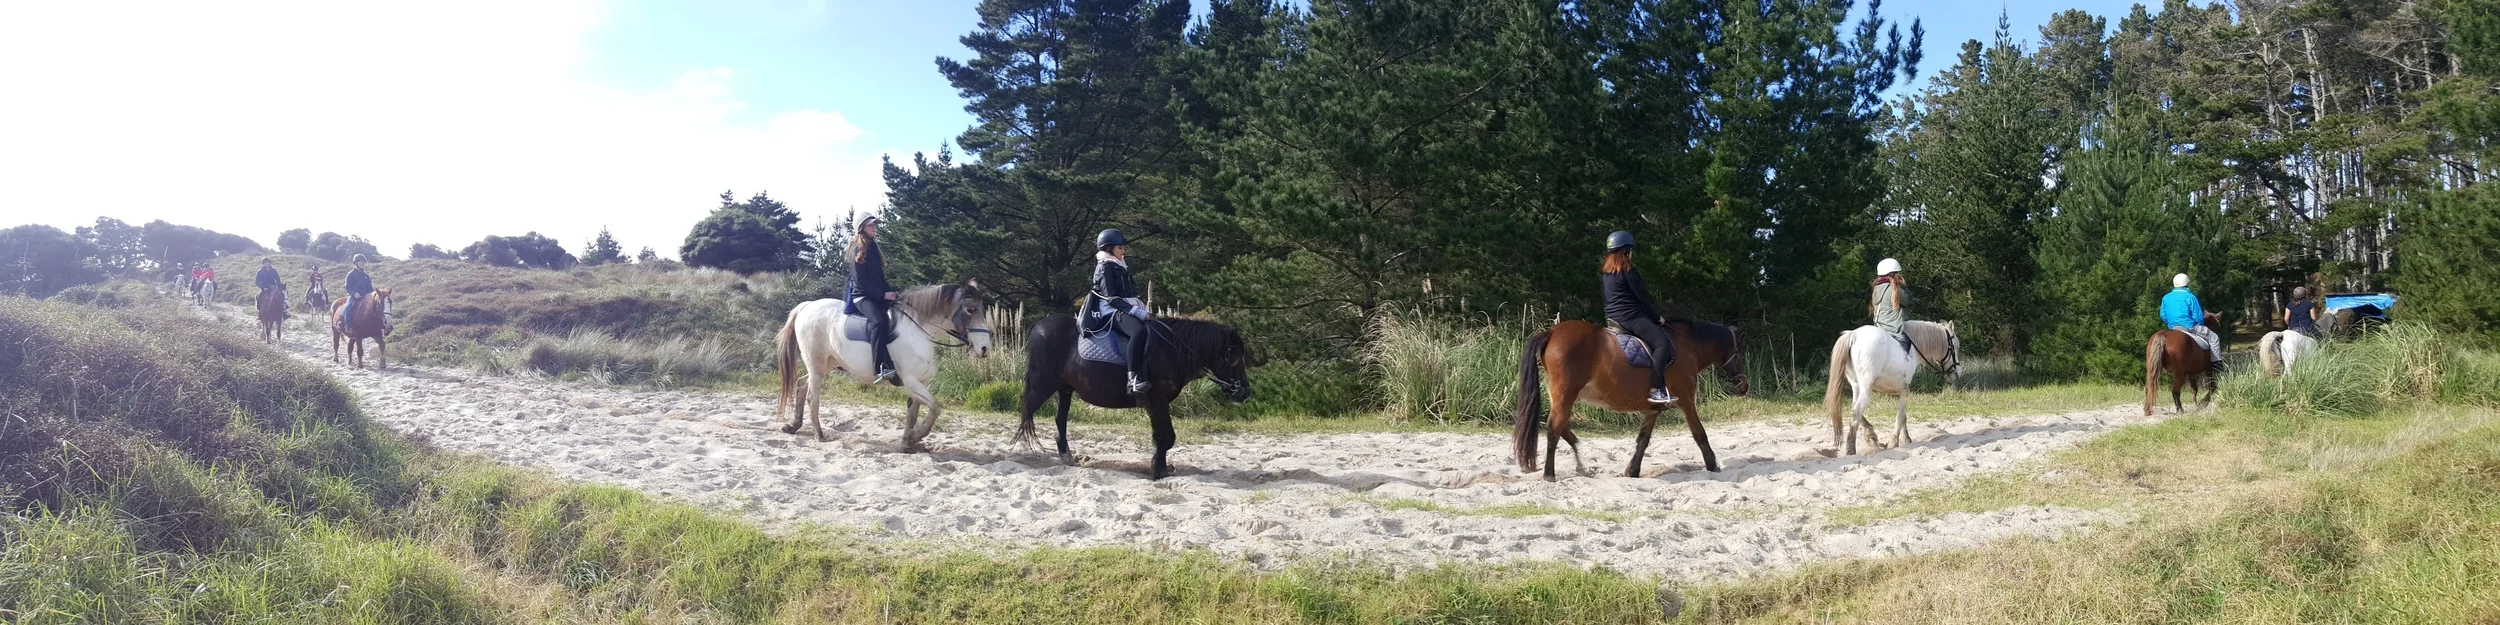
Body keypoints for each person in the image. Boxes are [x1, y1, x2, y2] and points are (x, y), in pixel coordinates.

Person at [1601, 231, 1678, 405]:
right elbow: (1642, 298)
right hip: (1631, 318)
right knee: (1662, 343)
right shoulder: (1628, 270)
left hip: (1612, 318)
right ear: (1626, 251)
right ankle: (1656, 389)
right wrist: (1656, 317)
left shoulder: (1606, 273)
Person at [1082, 229, 1151, 394]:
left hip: (1123, 307)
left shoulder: (1120, 266)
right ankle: (1132, 379)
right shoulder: (1105, 267)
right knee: (1138, 331)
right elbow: (1111, 298)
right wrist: (1138, 312)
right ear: (1109, 249)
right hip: (1110, 311)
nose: (1123, 251)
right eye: (1120, 248)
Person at [842, 216, 900, 383]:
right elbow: (861, 282)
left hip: (876, 294)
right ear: (862, 228)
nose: (875, 227)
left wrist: (892, 293)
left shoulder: (873, 246)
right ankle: (880, 368)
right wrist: (883, 295)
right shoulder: (856, 249)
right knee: (879, 320)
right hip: (862, 297)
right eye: (871, 225)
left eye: (875, 224)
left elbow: (880, 278)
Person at [2161, 273, 2224, 370]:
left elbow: (2163, 315)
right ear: (2186, 284)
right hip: (2189, 326)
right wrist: (2200, 323)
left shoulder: (2166, 297)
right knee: (2214, 337)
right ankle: (2217, 364)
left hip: (2173, 327)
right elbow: (2198, 316)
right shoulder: (2190, 297)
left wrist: (2171, 323)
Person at [1870, 258, 1910, 351]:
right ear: (1893, 274)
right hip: (1893, 330)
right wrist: (1904, 286)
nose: (1899, 275)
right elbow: (1907, 301)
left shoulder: (1876, 289)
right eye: (1897, 273)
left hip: (1880, 327)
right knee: (1907, 347)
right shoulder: (1895, 289)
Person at [341, 255, 374, 331]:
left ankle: (382, 325)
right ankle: (348, 326)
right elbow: (348, 287)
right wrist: (354, 294)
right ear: (355, 263)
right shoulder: (350, 275)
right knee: (348, 307)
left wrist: (371, 296)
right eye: (360, 261)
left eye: (363, 261)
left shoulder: (366, 276)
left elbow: (370, 288)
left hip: (366, 296)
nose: (362, 263)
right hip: (354, 296)